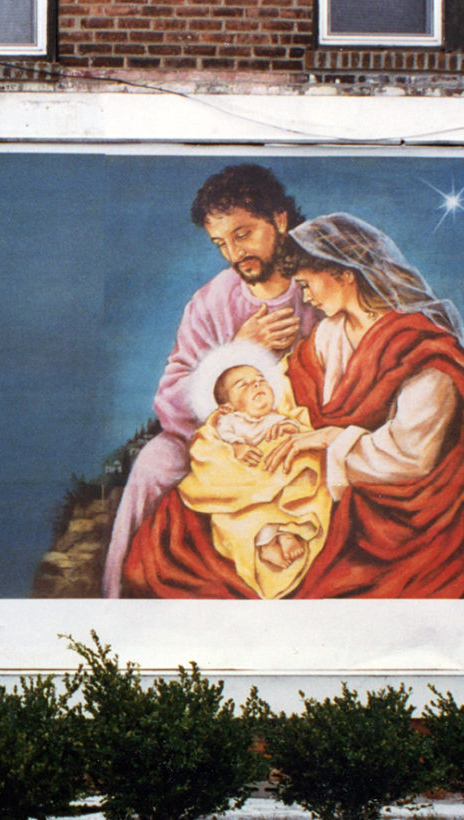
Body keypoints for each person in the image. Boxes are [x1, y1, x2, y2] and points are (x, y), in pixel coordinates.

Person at [123, 213, 464, 599]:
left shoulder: (423, 350)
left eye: (307, 283)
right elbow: (286, 387)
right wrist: (239, 427)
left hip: (393, 505)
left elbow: (411, 456)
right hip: (328, 475)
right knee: (172, 530)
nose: (306, 297)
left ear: (345, 273)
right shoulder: (330, 332)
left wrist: (328, 440)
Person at [101, 164, 320, 598]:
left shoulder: (316, 283)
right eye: (221, 243)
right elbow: (171, 399)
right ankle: (112, 604)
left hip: (297, 432)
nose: (234, 254)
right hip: (214, 437)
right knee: (152, 463)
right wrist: (236, 352)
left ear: (279, 219)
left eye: (242, 234)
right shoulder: (212, 300)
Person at [174, 341, 332, 599]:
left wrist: (285, 431)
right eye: (244, 385)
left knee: (282, 503)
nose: (257, 385)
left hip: (277, 480)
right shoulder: (229, 422)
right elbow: (217, 444)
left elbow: (296, 432)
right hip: (243, 488)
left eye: (260, 380)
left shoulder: (276, 417)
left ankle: (287, 533)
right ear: (227, 406)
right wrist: (237, 448)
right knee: (239, 519)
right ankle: (267, 542)